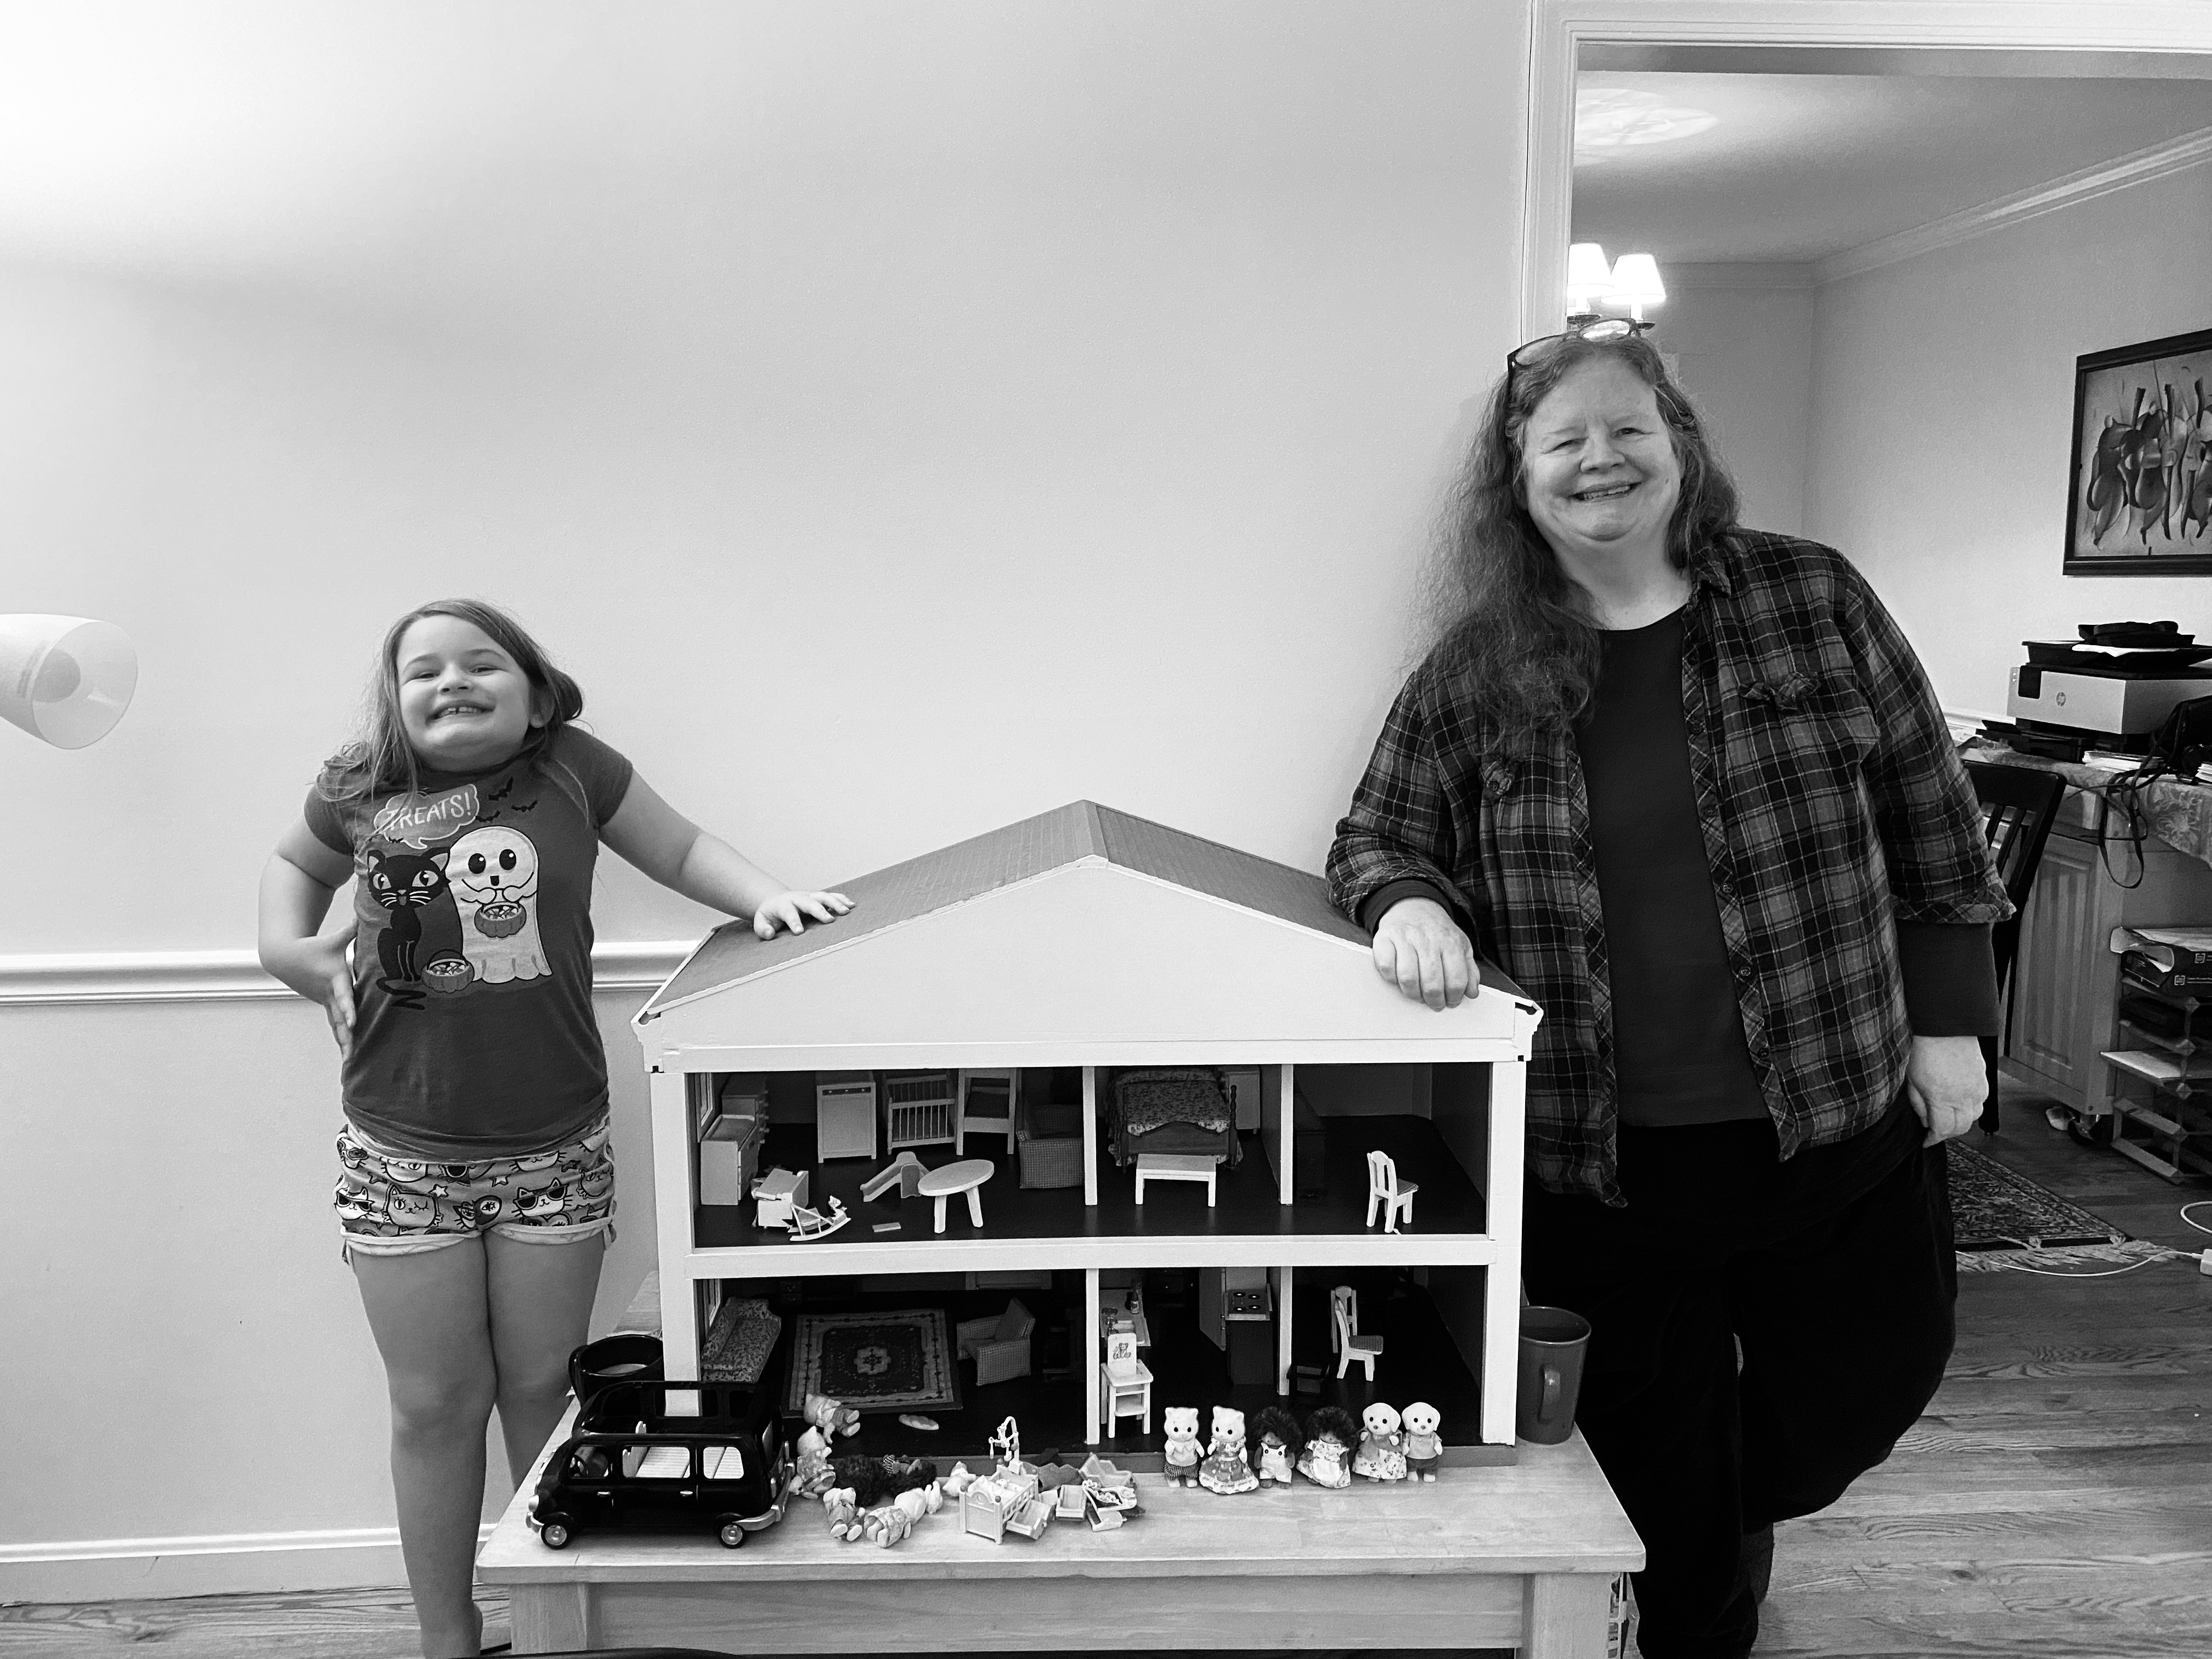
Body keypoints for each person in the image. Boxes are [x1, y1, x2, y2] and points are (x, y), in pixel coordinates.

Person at [1327, 323, 2008, 1659]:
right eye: (1563, 441)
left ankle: (1718, 1515)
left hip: (1832, 1118)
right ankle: (1699, 1608)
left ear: (1680, 446)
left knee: (1864, 1390)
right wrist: (1407, 899)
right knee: (1657, 1450)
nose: (1601, 460)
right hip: (1607, 1166)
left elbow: (1934, 819)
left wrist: (1953, 1028)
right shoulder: (1481, 668)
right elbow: (1374, 834)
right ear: (1518, 478)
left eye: (1628, 428)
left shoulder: (1813, 600)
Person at [257, 599, 851, 1659]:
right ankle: (448, 1637)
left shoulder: (575, 768)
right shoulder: (357, 783)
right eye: (424, 671)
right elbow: (294, 868)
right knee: (435, 1407)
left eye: (482, 663)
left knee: (543, 1393)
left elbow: (682, 846)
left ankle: (550, 1635)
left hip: (557, 1154)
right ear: (393, 703)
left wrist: (765, 896)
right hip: (399, 1161)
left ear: (536, 696)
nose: (453, 681)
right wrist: (287, 950)